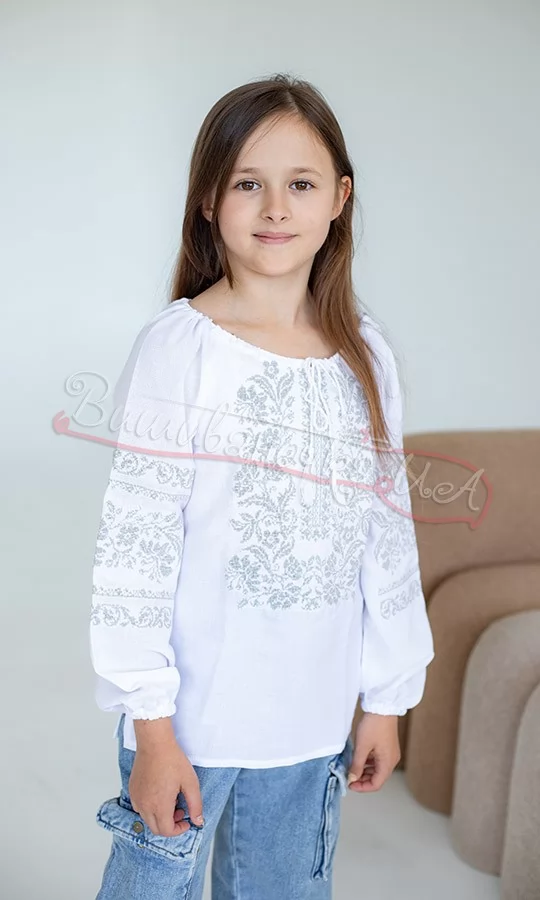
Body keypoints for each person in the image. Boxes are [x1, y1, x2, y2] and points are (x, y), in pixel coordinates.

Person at [89, 73, 435, 900]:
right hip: (192, 726)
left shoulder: (366, 355)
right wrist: (152, 727)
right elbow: (137, 546)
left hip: (310, 729)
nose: (276, 208)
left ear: (339, 199)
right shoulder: (182, 349)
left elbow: (385, 535)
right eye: (249, 183)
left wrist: (386, 699)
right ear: (210, 200)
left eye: (301, 185)